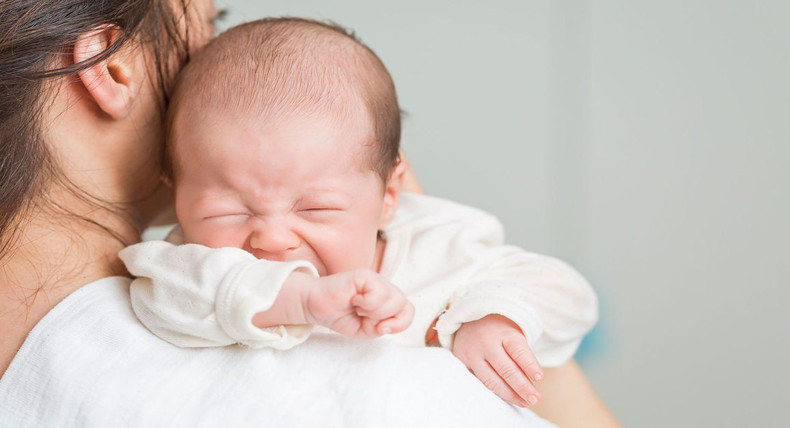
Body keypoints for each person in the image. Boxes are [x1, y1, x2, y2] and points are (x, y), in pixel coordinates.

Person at [0, 1, 620, 426]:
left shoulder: (433, 238)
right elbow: (181, 290)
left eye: (315, 204)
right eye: (210, 21)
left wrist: (496, 314)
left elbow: (550, 285)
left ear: (389, 191)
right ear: (110, 65)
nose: (271, 236)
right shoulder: (170, 272)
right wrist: (297, 296)